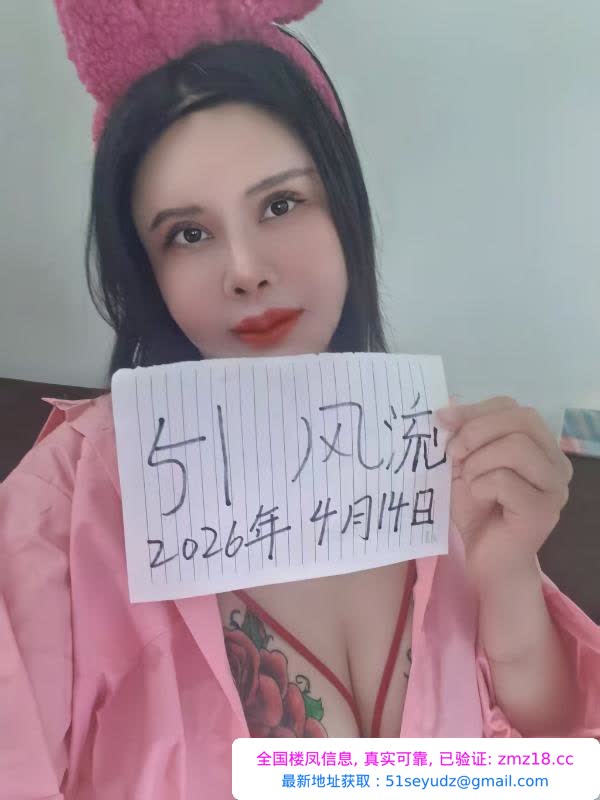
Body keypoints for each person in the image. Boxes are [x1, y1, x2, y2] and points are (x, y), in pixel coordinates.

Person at [2, 1, 599, 797]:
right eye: (188, 233)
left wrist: (508, 573)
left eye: (281, 204)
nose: (247, 269)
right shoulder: (65, 509)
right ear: (146, 272)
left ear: (343, 210)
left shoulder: (442, 453)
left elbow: (548, 760)